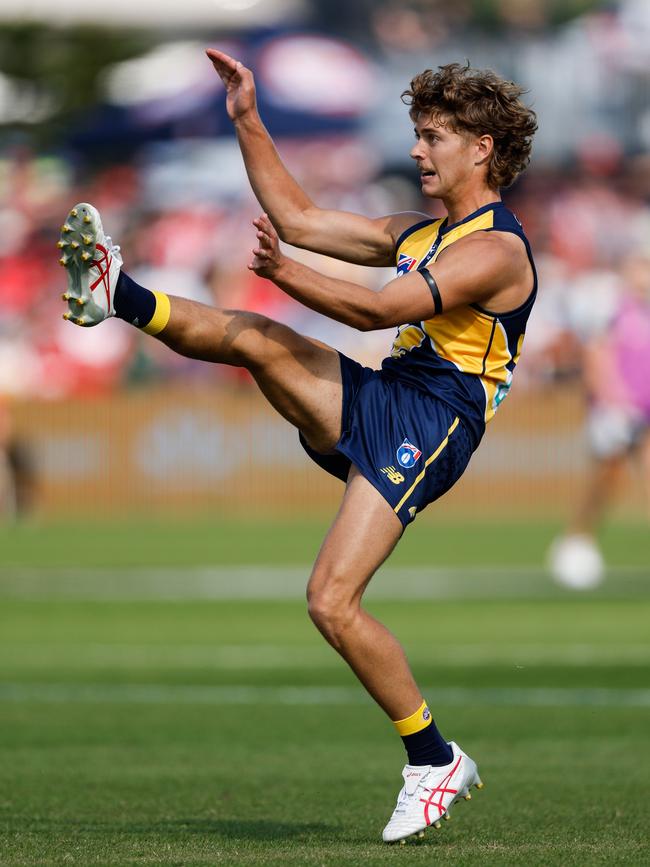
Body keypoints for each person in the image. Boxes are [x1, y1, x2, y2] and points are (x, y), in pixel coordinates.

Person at [58, 53, 537, 843]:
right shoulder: (421, 232)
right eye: (417, 136)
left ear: (480, 147)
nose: (417, 151)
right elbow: (302, 219)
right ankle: (119, 294)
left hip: (434, 422)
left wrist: (284, 272)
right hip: (394, 397)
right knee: (261, 342)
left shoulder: (498, 249)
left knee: (330, 600)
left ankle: (435, 757)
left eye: (431, 137)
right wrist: (246, 116)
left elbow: (376, 311)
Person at [549, 250, 650, 589]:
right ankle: (578, 537)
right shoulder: (613, 311)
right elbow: (597, 355)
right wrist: (612, 397)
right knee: (609, 477)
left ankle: (579, 538)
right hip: (617, 412)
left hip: (644, 411)